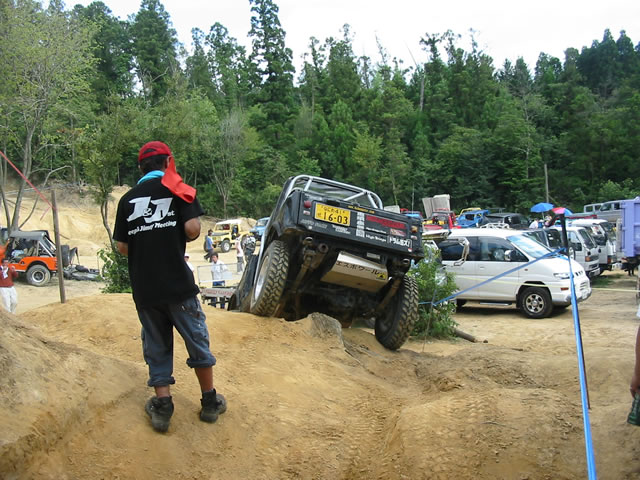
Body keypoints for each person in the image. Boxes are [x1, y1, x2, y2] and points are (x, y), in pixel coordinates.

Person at [113, 140, 226, 433]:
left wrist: (147, 239)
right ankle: (210, 402)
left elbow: (122, 246)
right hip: (178, 285)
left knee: (156, 345)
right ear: (168, 162)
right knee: (196, 340)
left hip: (146, 289)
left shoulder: (127, 200)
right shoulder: (177, 189)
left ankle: (163, 407)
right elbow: (193, 230)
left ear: (141, 168)